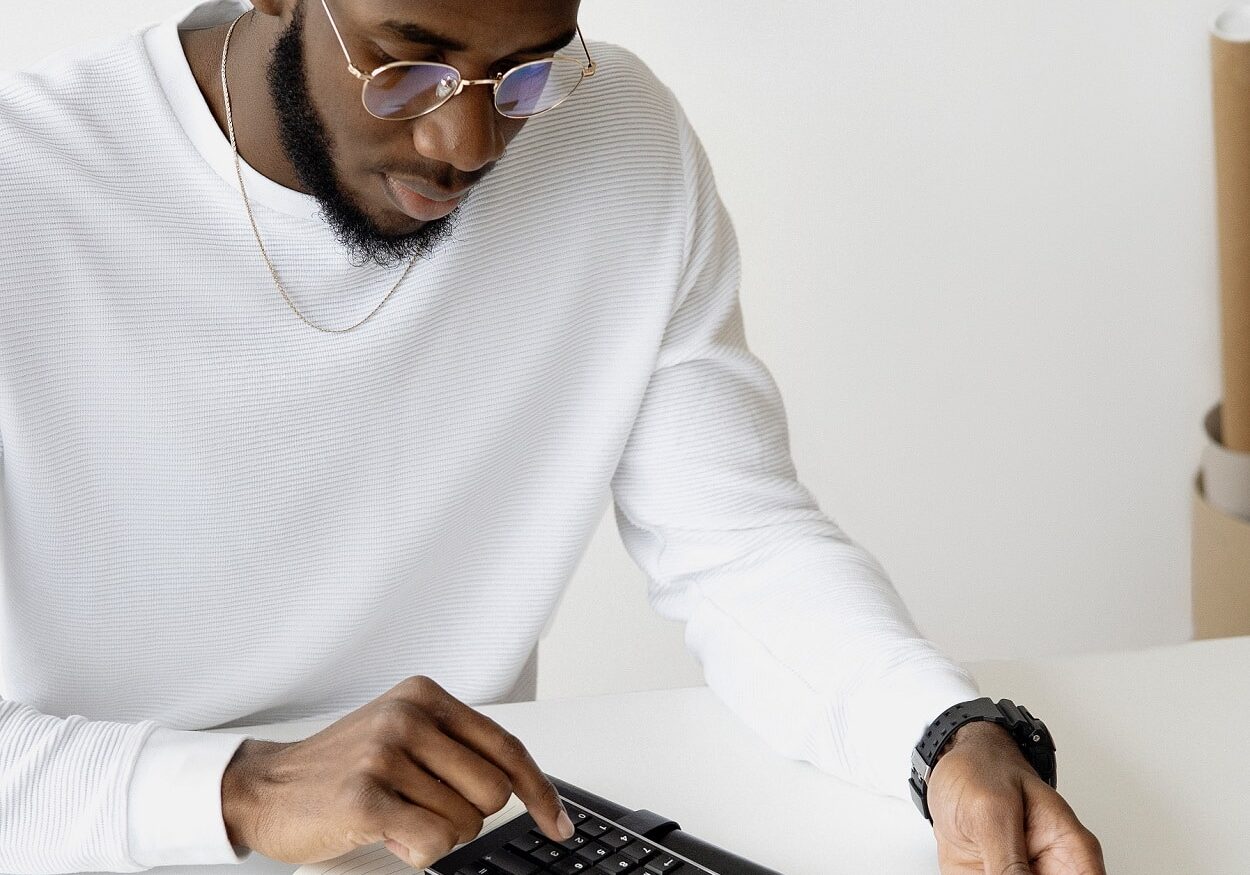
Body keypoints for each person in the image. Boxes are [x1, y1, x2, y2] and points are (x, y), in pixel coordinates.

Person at [0, 1, 1105, 873]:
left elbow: (737, 547)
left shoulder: (613, 140)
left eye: (525, 66)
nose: (466, 140)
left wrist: (943, 736)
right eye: (409, 60)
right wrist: (240, 786)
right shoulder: (28, 190)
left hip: (453, 852)